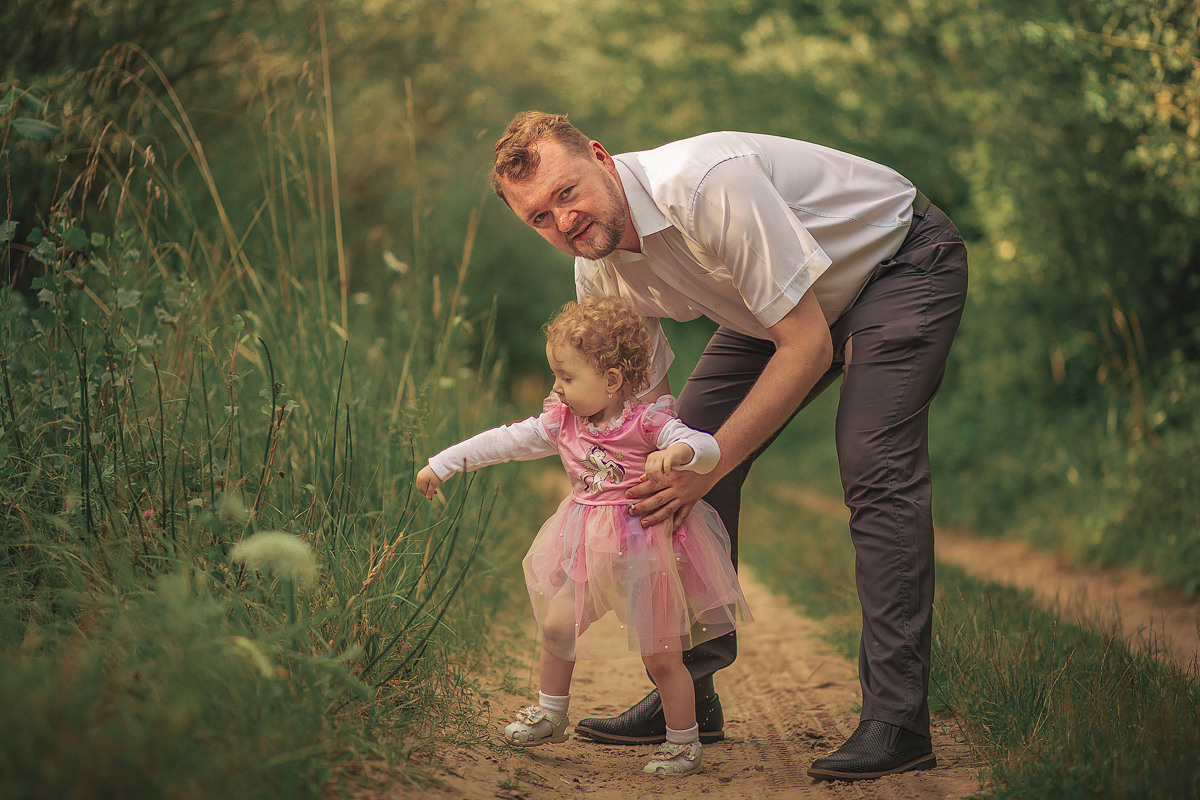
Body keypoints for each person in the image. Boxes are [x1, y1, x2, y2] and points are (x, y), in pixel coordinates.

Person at [488, 111, 969, 782]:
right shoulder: (597, 274)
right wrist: (644, 484)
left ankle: (898, 719)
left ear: (599, 157)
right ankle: (688, 695)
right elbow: (647, 424)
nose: (562, 221)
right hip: (768, 307)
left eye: (567, 193)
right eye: (540, 217)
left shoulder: (708, 186)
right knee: (672, 471)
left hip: (895, 262)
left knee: (872, 463)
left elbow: (807, 346)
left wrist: (707, 467)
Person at [416, 295, 753, 776]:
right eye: (557, 375)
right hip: (586, 548)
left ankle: (683, 741)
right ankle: (551, 712)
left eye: (568, 377)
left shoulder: (648, 421)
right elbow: (505, 441)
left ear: (612, 380)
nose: (557, 387)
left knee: (661, 657)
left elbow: (704, 446)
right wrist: (444, 464)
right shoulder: (562, 422)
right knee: (557, 626)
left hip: (645, 552)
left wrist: (678, 454)